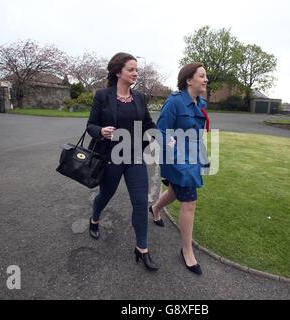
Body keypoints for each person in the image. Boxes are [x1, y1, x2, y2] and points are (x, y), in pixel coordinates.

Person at [86, 52, 159, 272]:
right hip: (111, 157)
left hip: (135, 156)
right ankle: (95, 218)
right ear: (118, 72)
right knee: (106, 194)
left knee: (139, 202)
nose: (135, 73)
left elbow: (147, 123)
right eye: (131, 69)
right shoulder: (102, 96)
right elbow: (90, 125)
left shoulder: (139, 97)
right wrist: (101, 131)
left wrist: (162, 136)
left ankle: (142, 248)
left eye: (136, 69)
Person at [151, 63, 210, 275]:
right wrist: (170, 147)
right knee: (189, 202)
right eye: (202, 76)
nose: (206, 80)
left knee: (175, 193)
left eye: (206, 76)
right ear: (188, 80)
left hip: (193, 157)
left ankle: (156, 209)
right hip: (176, 160)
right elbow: (161, 131)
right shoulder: (174, 102)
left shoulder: (201, 102)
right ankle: (187, 251)